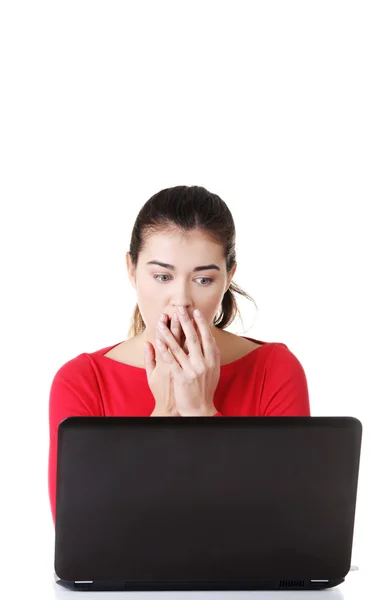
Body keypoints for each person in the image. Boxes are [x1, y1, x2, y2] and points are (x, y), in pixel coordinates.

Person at [48, 185, 310, 524]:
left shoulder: (274, 370)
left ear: (229, 276)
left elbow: (286, 525)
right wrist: (164, 414)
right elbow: (83, 533)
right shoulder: (83, 381)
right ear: (131, 269)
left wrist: (202, 413)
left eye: (203, 280)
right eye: (161, 276)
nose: (181, 299)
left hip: (247, 579)